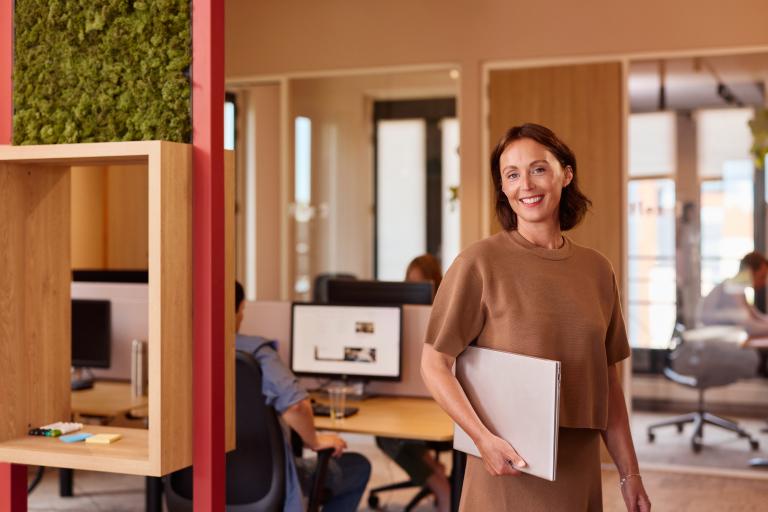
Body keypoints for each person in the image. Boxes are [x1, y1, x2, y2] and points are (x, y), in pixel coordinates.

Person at [421, 123, 651, 511]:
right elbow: (434, 363)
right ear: (503, 187)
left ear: (566, 173)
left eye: (538, 169)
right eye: (511, 175)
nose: (525, 185)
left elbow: (607, 384)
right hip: (506, 468)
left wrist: (631, 473)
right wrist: (481, 439)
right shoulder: (479, 263)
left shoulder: (597, 270)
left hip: (578, 468)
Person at [235, 282, 371, 512]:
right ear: (239, 308)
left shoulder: (182, 351)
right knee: (357, 466)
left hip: (199, 482)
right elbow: (296, 406)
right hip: (262, 483)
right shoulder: (257, 353)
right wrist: (314, 441)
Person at [375, 254, 451, 512]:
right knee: (387, 432)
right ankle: (434, 471)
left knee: (390, 439)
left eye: (420, 284)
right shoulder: (403, 315)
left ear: (434, 283)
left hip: (438, 399)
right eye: (409, 282)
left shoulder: (444, 314)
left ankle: (440, 485)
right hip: (411, 396)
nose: (413, 289)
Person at [698, 251, 768, 376]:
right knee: (755, 359)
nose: (764, 282)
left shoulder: (737, 287)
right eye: (762, 276)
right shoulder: (733, 289)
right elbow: (750, 327)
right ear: (750, 272)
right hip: (713, 345)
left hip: (723, 340)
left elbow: (756, 316)